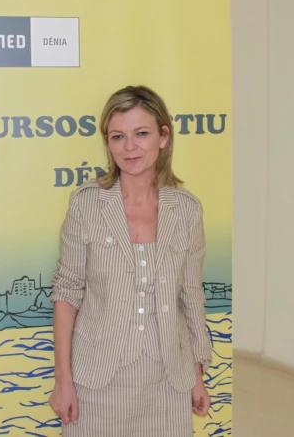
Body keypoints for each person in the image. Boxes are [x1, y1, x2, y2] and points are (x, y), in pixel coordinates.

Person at [49, 85, 213, 436]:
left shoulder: (187, 210)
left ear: (163, 137)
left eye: (141, 133)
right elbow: (67, 292)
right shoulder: (87, 204)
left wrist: (195, 377)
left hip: (168, 378)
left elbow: (191, 298)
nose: (130, 147)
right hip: (97, 378)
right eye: (117, 136)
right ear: (107, 142)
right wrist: (63, 379)